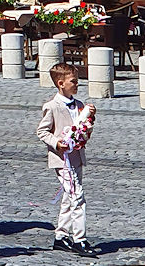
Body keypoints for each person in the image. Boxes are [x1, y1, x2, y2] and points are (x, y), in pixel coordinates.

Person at [36, 63, 99, 258]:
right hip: (62, 160)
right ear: (61, 83)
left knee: (68, 198)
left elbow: (83, 130)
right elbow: (42, 131)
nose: (77, 84)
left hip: (77, 157)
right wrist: (57, 143)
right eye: (74, 81)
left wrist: (89, 122)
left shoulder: (79, 105)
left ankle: (61, 236)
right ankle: (80, 239)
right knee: (77, 197)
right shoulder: (52, 106)